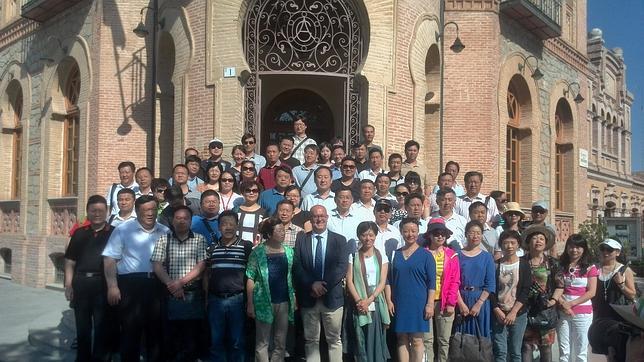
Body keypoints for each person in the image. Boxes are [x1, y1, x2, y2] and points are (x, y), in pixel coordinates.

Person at [102, 195, 170, 361]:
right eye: (146, 210)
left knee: (156, 331)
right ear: (137, 211)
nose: (150, 213)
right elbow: (110, 258)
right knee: (130, 330)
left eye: (153, 209)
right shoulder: (123, 229)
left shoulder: (165, 231)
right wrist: (112, 286)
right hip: (130, 285)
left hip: (156, 284)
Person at [151, 206, 207, 361]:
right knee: (169, 335)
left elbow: (201, 265)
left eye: (185, 218)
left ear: (191, 221)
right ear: (172, 220)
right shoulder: (164, 239)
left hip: (192, 293)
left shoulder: (199, 239)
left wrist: (180, 283)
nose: (181, 221)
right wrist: (172, 285)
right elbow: (156, 264)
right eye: (178, 218)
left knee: (191, 335)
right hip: (168, 293)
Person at [294, 205, 349, 362]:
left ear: (327, 217)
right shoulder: (302, 239)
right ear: (310, 219)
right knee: (311, 340)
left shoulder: (339, 240)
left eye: (322, 216)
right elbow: (297, 266)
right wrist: (312, 284)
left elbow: (341, 267)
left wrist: (323, 286)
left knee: (334, 340)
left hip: (332, 298)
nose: (319, 219)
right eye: (315, 216)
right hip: (308, 297)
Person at [64, 195, 116, 362]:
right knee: (82, 327)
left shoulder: (114, 233)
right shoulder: (79, 233)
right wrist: (68, 284)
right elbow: (70, 260)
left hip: (102, 285)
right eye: (93, 210)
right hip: (81, 284)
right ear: (87, 212)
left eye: (101, 210)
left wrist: (113, 287)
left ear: (107, 212)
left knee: (102, 327)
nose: (97, 214)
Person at [206, 210, 253, 362]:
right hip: (215, 300)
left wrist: (249, 302)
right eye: (224, 224)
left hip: (237, 299)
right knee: (216, 340)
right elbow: (206, 275)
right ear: (218, 227)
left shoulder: (246, 247)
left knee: (237, 341)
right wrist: (206, 298)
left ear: (237, 226)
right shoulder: (212, 248)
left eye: (231, 224)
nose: (228, 227)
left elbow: (251, 276)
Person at [246, 218, 296, 362]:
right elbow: (250, 277)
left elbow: (291, 276)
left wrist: (294, 296)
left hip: (284, 301)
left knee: (280, 341)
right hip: (263, 302)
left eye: (283, 230)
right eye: (279, 230)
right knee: (262, 342)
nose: (283, 233)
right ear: (269, 233)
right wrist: (250, 304)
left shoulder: (289, 251)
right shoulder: (258, 252)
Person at [387, 217, 436, 362]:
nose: (410, 234)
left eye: (413, 231)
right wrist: (389, 300)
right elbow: (388, 280)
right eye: (406, 231)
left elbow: (432, 283)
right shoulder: (395, 254)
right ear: (401, 232)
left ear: (418, 232)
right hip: (400, 302)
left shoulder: (426, 255)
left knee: (417, 340)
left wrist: (430, 304)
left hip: (419, 303)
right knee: (401, 338)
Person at [346, 221, 390, 362]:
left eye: (371, 235)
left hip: (375, 301)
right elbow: (349, 280)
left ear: (375, 236)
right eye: (364, 235)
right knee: (360, 338)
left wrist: (369, 300)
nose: (368, 238)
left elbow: (383, 281)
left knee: (374, 338)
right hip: (358, 302)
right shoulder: (352, 256)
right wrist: (359, 301)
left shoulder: (382, 256)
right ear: (359, 236)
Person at [521, 225, 563, 362]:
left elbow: (560, 285)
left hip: (546, 311)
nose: (538, 241)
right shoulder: (521, 262)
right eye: (534, 238)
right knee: (526, 346)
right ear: (528, 242)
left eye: (541, 238)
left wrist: (553, 301)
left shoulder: (552, 262)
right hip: (525, 310)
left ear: (545, 243)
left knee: (546, 347)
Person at [422, 218, 460, 362]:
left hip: (444, 302)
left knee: (444, 340)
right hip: (426, 302)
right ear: (429, 235)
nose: (440, 236)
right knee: (427, 340)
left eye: (443, 233)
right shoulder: (422, 253)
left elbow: (455, 281)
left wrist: (451, 302)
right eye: (436, 233)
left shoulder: (452, 255)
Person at [490, 230, 531, 362]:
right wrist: (497, 310)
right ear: (501, 245)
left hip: (518, 313)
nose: (509, 246)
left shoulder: (524, 264)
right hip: (499, 313)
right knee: (500, 352)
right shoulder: (496, 264)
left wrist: (513, 312)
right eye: (506, 243)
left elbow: (525, 290)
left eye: (513, 243)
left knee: (515, 351)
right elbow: (491, 290)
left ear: (518, 245)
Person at [557, 234, 598, 362]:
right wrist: (563, 303)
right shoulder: (561, 265)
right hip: (563, 312)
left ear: (584, 249)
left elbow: (591, 292)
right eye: (571, 247)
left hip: (582, 314)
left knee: (581, 351)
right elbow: (556, 287)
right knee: (564, 351)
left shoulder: (590, 267)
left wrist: (571, 304)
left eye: (578, 247)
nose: (574, 250)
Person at [456, 220, 496, 339]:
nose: (475, 236)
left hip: (480, 299)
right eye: (472, 233)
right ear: (466, 234)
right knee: (461, 337)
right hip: (461, 298)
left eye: (478, 233)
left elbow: (490, 284)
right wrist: (461, 303)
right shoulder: (457, 255)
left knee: (480, 339)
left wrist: (479, 304)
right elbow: (453, 283)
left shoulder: (487, 257)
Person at [592, 238, 637, 321]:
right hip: (597, 315)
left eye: (609, 250)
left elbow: (632, 295)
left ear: (618, 253)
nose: (605, 252)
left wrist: (621, 284)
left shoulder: (624, 270)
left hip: (618, 317)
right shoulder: (595, 268)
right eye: (602, 249)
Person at [431, 187, 467, 251]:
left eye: (450, 200)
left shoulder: (462, 221)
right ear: (437, 202)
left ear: (455, 202)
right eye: (443, 200)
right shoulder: (430, 220)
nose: (447, 203)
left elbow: (466, 243)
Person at [235, 180, 266, 246]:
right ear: (243, 193)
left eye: (254, 191)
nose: (251, 193)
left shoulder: (264, 212)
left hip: (255, 250)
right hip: (238, 248)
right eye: (248, 190)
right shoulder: (236, 210)